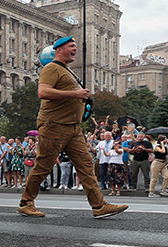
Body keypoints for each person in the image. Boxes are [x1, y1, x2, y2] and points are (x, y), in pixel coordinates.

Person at [17, 37, 127, 219]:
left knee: (86, 165)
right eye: (71, 46)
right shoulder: (51, 68)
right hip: (54, 125)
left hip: (73, 127)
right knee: (43, 166)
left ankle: (99, 206)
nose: (75, 48)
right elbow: (43, 92)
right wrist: (74, 94)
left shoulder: (66, 71)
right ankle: (25, 203)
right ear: (59, 50)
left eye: (75, 46)